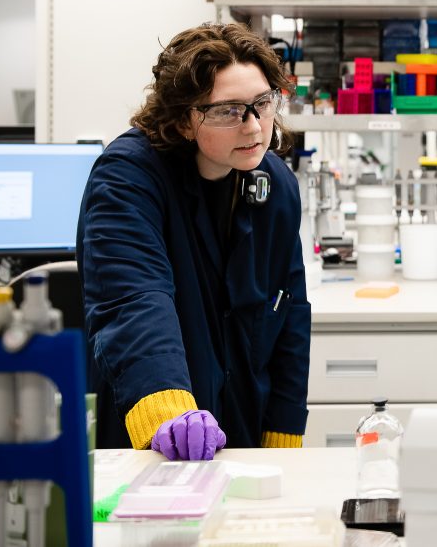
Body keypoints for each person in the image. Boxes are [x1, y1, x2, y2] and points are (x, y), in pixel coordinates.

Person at [78, 23, 311, 460]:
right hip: (151, 436)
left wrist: (282, 435)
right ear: (185, 119)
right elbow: (133, 299)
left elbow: (290, 311)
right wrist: (166, 411)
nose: (253, 127)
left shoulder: (274, 183)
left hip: (239, 427)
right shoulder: (128, 177)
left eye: (262, 104)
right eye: (228, 111)